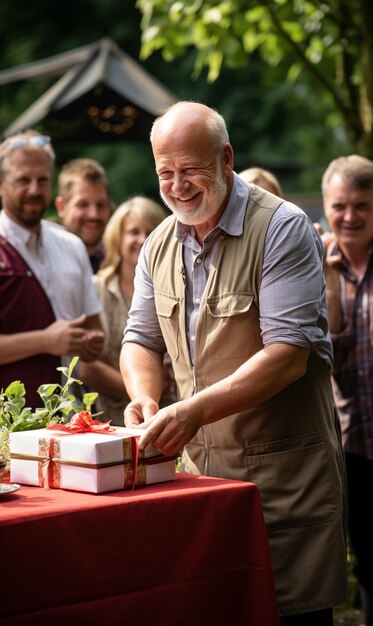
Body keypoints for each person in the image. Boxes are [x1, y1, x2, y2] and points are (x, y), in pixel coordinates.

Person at [119, 101, 347, 624]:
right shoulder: (157, 243)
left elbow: (288, 357)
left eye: (190, 170)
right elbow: (140, 339)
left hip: (285, 483)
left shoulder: (283, 228)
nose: (177, 186)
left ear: (226, 159)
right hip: (202, 485)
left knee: (294, 614)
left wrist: (193, 410)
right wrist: (145, 397)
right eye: (165, 173)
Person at [0, 130, 105, 409]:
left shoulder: (72, 246)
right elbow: (53, 340)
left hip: (70, 416)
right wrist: (46, 341)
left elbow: (94, 328)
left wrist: (91, 342)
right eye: (23, 180)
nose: (34, 190)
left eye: (42, 180)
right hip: (9, 422)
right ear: (1, 184)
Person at [321, 154, 373, 626]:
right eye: (340, 206)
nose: (350, 216)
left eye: (362, 206)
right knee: (367, 556)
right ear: (325, 207)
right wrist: (332, 279)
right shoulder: (314, 265)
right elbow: (320, 354)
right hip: (349, 439)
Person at [80, 196, 177, 425]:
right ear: (117, 238)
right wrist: (145, 395)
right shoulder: (96, 288)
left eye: (150, 231)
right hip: (111, 422)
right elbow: (86, 367)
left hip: (171, 419)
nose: (142, 240)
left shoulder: (178, 287)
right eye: (134, 232)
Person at [55, 158, 113, 273]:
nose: (94, 215)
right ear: (61, 207)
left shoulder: (119, 265)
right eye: (83, 205)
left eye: (101, 205)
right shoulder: (43, 261)